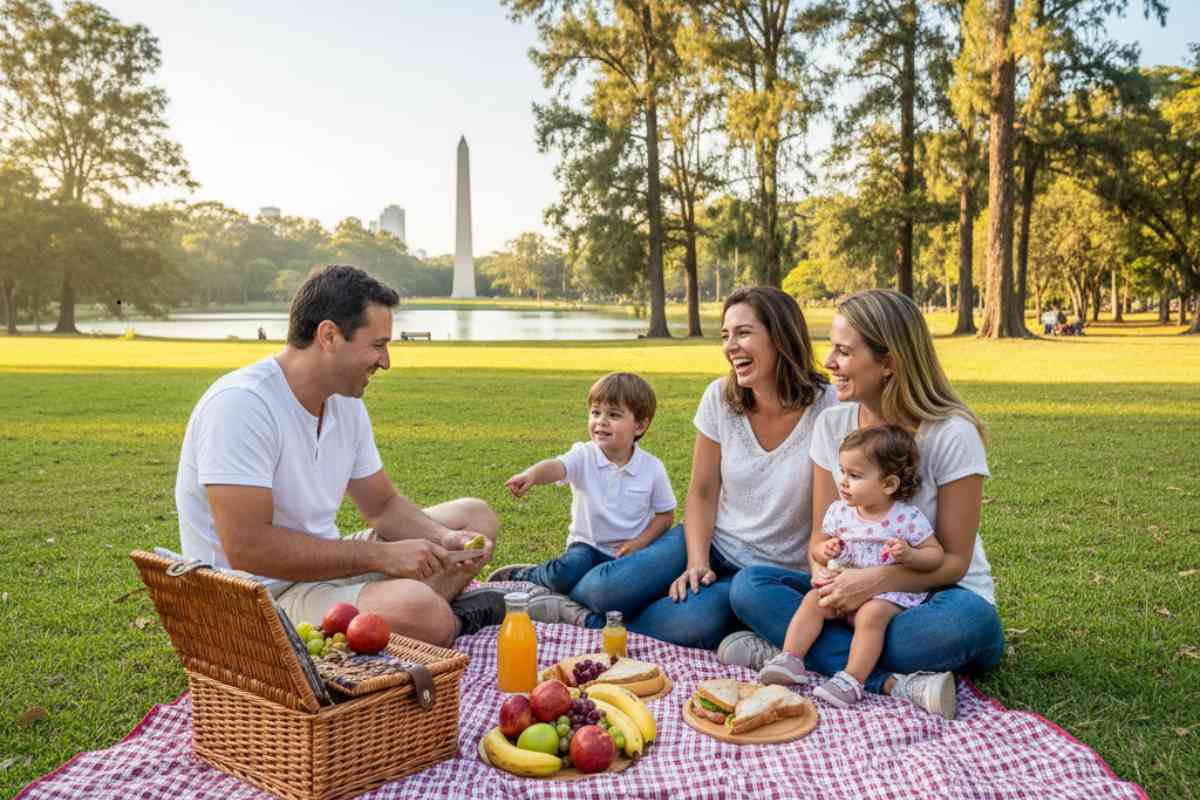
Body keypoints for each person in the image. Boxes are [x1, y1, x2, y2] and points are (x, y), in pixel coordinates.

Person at [175, 265, 507, 648]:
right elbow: (248, 548)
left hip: (321, 573)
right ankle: (446, 619)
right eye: (378, 345)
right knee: (420, 610)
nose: (386, 361)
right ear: (329, 335)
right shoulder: (241, 405)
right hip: (256, 598)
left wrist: (444, 537)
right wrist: (380, 557)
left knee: (476, 519)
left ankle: (419, 619)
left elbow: (382, 506)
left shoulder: (343, 402)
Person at [724, 289, 1004, 721]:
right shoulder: (832, 424)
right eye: (831, 350)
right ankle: (892, 682)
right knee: (749, 587)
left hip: (936, 596)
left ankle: (795, 652)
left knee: (957, 629)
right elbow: (821, 535)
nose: (829, 363)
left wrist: (872, 583)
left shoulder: (951, 433)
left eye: (843, 352)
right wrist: (827, 579)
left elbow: (954, 563)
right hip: (851, 593)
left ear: (889, 362)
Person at [513, 286, 836, 650]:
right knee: (605, 589)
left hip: (770, 572)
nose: (730, 346)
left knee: (690, 624)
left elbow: (831, 514)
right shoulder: (720, 397)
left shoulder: (829, 407)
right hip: (710, 541)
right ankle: (588, 600)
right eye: (726, 335)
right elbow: (702, 491)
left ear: (781, 336)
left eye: (743, 333)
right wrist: (697, 562)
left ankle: (587, 619)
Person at [759, 425, 942, 711]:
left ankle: (852, 680)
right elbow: (819, 547)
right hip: (842, 588)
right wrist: (826, 550)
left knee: (871, 615)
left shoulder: (905, 518)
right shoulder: (840, 512)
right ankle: (791, 658)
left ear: (889, 485)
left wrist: (909, 555)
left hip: (885, 595)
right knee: (812, 600)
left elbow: (935, 556)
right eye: (842, 471)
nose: (843, 482)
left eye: (854, 475)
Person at [486, 372, 677, 597]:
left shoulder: (652, 468)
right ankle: (528, 576)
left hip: (629, 553)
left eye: (614, 415)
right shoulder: (584, 455)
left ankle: (574, 595)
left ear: (639, 426)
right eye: (595, 412)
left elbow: (666, 515)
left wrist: (640, 542)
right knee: (570, 570)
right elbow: (557, 466)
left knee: (645, 587)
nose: (601, 421)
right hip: (587, 546)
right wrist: (532, 475)